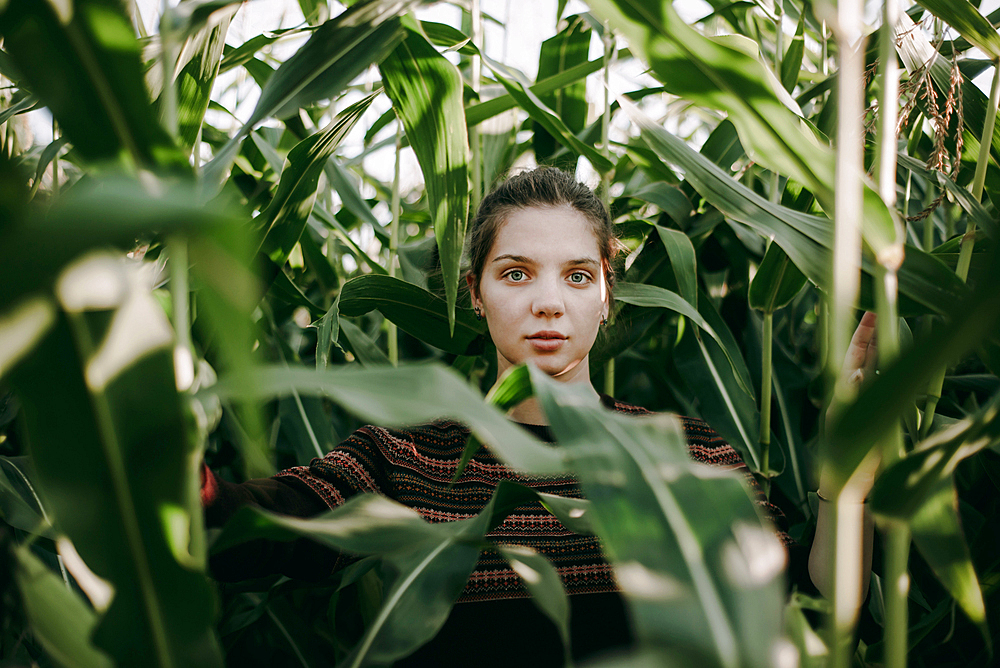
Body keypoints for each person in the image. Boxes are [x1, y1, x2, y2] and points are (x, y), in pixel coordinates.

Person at [202, 167, 863, 665]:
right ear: (476, 293)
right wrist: (180, 472)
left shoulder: (684, 454)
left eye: (577, 276)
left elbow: (810, 600)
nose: (549, 303)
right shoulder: (410, 459)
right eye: (517, 274)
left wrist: (845, 482)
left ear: (608, 294)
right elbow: (269, 519)